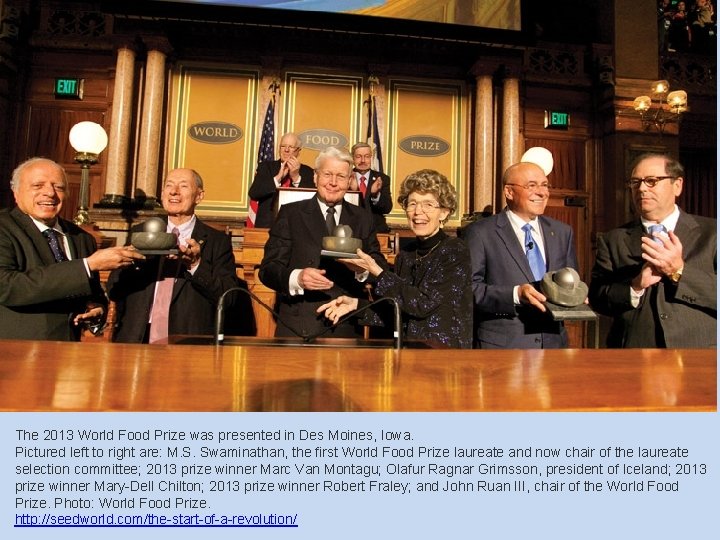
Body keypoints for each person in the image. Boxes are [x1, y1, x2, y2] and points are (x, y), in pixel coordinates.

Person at [317, 169, 472, 348]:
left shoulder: (455, 250)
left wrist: (376, 270)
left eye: (428, 205)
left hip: (442, 357)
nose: (417, 212)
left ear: (444, 213)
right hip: (408, 354)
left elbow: (422, 304)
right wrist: (356, 305)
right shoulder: (406, 254)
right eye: (412, 203)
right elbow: (399, 309)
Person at [0, 157, 143, 341]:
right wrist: (86, 265)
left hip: (68, 352)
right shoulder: (4, 228)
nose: (50, 193)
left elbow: (91, 291)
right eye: (38, 186)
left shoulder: (81, 238)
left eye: (58, 187)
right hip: (17, 352)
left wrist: (96, 308)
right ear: (16, 193)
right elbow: (7, 286)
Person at [259, 146, 388, 339]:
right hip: (298, 327)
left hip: (345, 327)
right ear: (315, 177)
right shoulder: (291, 214)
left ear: (349, 180)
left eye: (341, 176)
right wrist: (298, 277)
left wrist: (361, 270)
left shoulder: (363, 218)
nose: (333, 183)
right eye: (327, 174)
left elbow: (381, 270)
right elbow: (268, 270)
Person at [589, 153, 716, 348]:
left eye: (651, 181)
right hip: (635, 355)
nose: (641, 189)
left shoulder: (712, 233)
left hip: (697, 353)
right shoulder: (613, 239)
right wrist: (634, 287)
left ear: (677, 185)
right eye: (635, 182)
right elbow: (598, 298)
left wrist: (679, 271)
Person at [107, 168, 240, 343]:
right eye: (169, 185)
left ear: (199, 196)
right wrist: (132, 261)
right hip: (137, 338)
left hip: (187, 343)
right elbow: (114, 289)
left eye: (183, 186)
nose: (174, 191)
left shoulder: (217, 241)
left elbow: (228, 298)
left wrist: (195, 266)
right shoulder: (141, 233)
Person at [463, 161, 579, 348]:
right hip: (504, 348)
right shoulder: (480, 233)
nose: (542, 192)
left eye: (544, 185)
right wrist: (515, 294)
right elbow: (469, 290)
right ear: (509, 192)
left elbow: (570, 280)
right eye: (532, 186)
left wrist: (576, 295)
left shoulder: (561, 232)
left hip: (553, 346)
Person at [247, 132, 315, 228]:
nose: (286, 150)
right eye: (283, 146)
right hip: (267, 227)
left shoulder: (307, 171)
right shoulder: (266, 167)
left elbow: (311, 200)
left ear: (298, 151)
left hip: (294, 226)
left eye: (291, 147)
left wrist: (296, 177)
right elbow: (254, 193)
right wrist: (278, 178)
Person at [349, 142, 393, 232]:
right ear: (352, 159)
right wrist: (354, 191)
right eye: (358, 156)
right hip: (351, 229)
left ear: (371, 158)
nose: (363, 160)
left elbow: (387, 208)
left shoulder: (382, 178)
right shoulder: (345, 177)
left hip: (376, 230)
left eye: (367, 156)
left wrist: (375, 195)